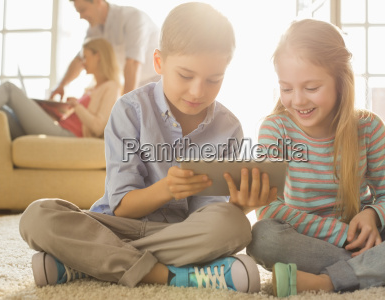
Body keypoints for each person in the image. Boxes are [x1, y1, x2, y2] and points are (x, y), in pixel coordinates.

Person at [19, 3, 277, 294]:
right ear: (159, 63)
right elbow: (122, 207)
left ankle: (85, 262)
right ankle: (172, 276)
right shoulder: (130, 110)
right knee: (37, 216)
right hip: (114, 226)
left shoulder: (229, 127)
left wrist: (241, 206)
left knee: (236, 226)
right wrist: (168, 188)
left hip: (178, 234)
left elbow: (210, 216)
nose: (198, 91)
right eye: (185, 75)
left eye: (213, 80)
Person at [245, 19, 385, 297]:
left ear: (340, 81)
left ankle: (327, 282)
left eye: (311, 88)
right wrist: (340, 234)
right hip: (305, 238)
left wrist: (372, 215)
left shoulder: (370, 128)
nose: (298, 100)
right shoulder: (275, 128)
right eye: (287, 88)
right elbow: (268, 209)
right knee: (261, 238)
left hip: (366, 237)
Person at [0, 38, 121, 139]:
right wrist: (55, 111)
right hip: (59, 127)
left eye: (85, 57)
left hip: (67, 135)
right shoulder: (92, 88)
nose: (83, 63)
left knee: (9, 89)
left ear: (98, 56)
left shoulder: (111, 87)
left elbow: (98, 127)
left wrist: (76, 106)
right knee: (3, 113)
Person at [51, 0, 160, 98]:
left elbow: (132, 63)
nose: (81, 16)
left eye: (83, 10)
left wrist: (125, 106)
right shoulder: (94, 30)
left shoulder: (132, 17)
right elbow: (80, 59)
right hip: (136, 85)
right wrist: (61, 86)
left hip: (158, 81)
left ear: (98, 1)